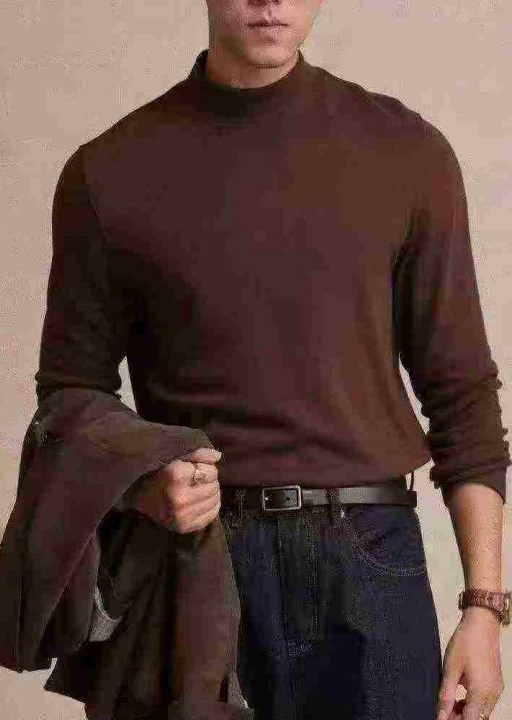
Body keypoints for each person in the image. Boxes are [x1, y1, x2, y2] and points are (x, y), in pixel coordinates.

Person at [34, 1, 510, 718]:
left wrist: (484, 607)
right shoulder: (109, 171)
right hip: (200, 561)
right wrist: (141, 481)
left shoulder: (407, 152)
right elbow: (70, 396)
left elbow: (462, 393)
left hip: (371, 559)